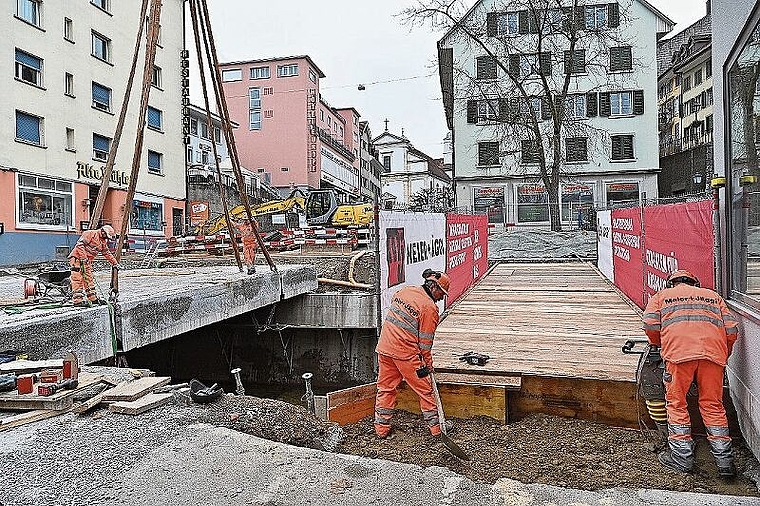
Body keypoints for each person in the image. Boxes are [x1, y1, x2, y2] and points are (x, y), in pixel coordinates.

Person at [642, 269, 740, 477]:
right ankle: (724, 461)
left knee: (677, 403)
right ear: (695, 283)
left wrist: (661, 345)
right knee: (713, 405)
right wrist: (723, 355)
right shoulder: (714, 297)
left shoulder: (661, 297)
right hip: (713, 356)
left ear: (671, 284)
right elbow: (731, 331)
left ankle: (681, 457)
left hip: (678, 356)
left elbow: (650, 325)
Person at [374, 268, 451, 439]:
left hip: (385, 349)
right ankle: (437, 430)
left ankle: (381, 429)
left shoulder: (405, 291)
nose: (441, 298)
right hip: (406, 355)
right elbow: (425, 345)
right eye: (442, 293)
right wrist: (428, 365)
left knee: (385, 389)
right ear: (434, 288)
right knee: (426, 390)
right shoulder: (429, 308)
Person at [68, 225, 121, 307]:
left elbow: (107, 253)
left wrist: (115, 263)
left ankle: (93, 299)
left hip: (86, 261)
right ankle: (77, 301)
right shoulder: (90, 234)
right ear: (103, 231)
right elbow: (79, 245)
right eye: (106, 236)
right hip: (77, 259)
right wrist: (83, 257)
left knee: (89, 279)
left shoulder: (103, 241)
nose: (106, 238)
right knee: (77, 279)